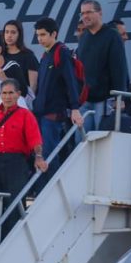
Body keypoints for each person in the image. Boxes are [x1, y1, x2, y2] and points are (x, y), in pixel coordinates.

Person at [0, 79, 46, 238]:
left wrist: (39, 158)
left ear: (18, 94)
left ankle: (11, 239)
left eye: (11, 93)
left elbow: (35, 140)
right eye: (4, 93)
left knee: (15, 201)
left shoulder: (25, 115)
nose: (7, 97)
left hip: (16, 162)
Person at [32, 17, 84, 194]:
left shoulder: (60, 53)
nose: (39, 39)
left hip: (53, 114)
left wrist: (75, 108)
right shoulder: (46, 55)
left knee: (49, 153)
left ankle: (50, 191)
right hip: (41, 113)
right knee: (41, 153)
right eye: (38, 35)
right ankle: (42, 189)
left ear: (54, 34)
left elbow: (70, 81)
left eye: (43, 35)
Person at [76, 0, 128, 131]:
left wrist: (119, 97)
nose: (85, 16)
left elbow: (119, 68)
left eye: (89, 12)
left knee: (102, 138)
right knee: (81, 141)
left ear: (100, 13)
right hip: (85, 100)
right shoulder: (84, 38)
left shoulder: (112, 35)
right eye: (82, 13)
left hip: (104, 99)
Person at [3, 20, 39, 100]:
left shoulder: (28, 55)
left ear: (19, 35)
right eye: (7, 32)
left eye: (13, 32)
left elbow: (33, 85)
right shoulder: (1, 55)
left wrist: (26, 102)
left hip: (22, 101)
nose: (9, 35)